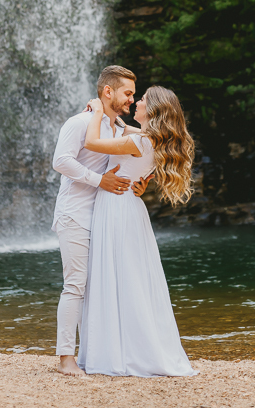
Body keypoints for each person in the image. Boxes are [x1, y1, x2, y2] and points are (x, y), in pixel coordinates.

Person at [77, 85, 197, 377]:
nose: (136, 103)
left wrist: (94, 109)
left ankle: (121, 352)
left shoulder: (141, 143)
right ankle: (129, 347)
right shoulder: (148, 140)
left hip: (117, 208)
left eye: (141, 100)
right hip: (128, 208)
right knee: (130, 277)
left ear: (152, 110)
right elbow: (122, 128)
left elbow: (92, 142)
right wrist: (110, 118)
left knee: (118, 276)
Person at [51, 65, 151, 376]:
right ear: (108, 92)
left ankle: (91, 355)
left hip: (104, 218)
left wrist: (141, 182)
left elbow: (146, 148)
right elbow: (61, 161)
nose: (132, 100)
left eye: (134, 95)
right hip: (75, 214)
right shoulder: (80, 122)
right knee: (76, 285)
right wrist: (99, 181)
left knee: (97, 288)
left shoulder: (117, 128)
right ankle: (66, 358)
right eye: (128, 93)